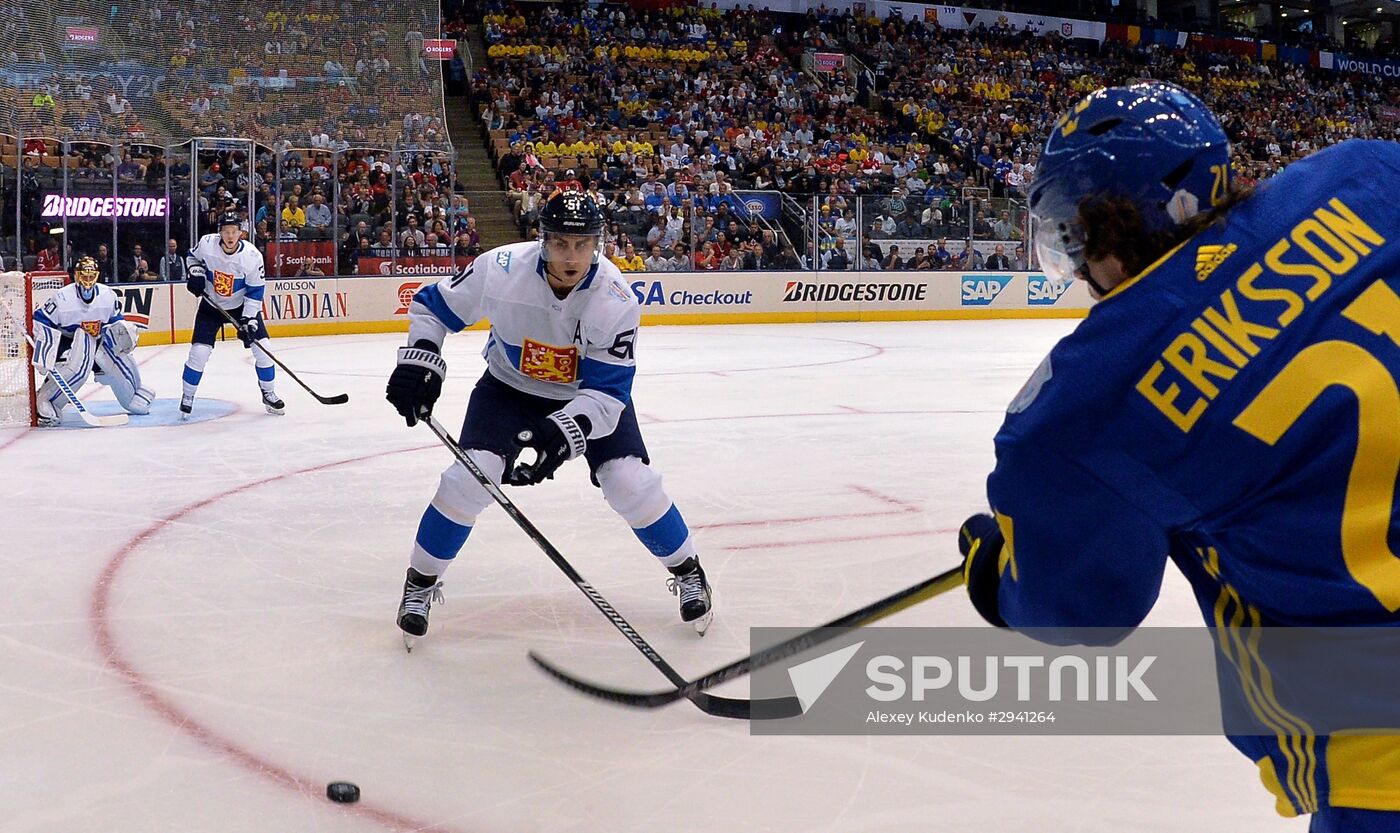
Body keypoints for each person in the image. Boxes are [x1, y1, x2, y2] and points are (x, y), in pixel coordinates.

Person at [956, 82, 1400, 830]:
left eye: (1075, 236)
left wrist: (998, 576)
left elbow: (1082, 612)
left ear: (1110, 233)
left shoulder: (1092, 395)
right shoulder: (1366, 172)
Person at [385, 191, 713, 650]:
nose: (572, 256)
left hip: (585, 396)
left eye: (582, 245)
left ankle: (688, 572)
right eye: (561, 244)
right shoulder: (500, 270)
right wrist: (419, 360)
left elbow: (608, 394)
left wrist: (563, 432)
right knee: (466, 481)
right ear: (542, 240)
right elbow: (432, 309)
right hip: (507, 389)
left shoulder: (615, 299)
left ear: (597, 244)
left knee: (630, 482)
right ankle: (420, 584)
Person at [180, 213, 283, 418]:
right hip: (211, 306)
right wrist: (197, 274)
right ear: (220, 232)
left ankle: (268, 393)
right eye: (226, 231)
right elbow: (192, 258)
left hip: (241, 307)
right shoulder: (207, 243)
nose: (230, 235)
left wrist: (249, 321)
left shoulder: (252, 257)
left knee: (264, 350)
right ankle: (187, 396)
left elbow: (255, 292)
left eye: (234, 231)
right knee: (199, 353)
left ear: (241, 233)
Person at [30, 255, 153, 425]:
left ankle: (134, 391)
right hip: (66, 342)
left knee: (118, 361)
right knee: (76, 369)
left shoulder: (107, 295)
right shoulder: (62, 297)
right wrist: (45, 348)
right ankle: (47, 399)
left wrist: (125, 333)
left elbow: (116, 324)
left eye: (91, 275)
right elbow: (41, 319)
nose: (87, 280)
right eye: (84, 276)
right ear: (76, 276)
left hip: (96, 340)